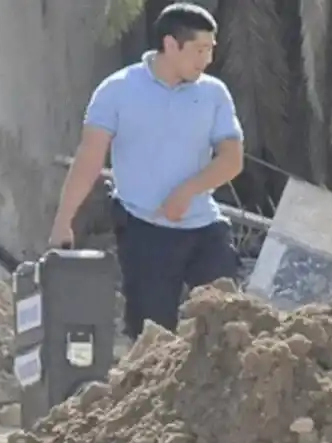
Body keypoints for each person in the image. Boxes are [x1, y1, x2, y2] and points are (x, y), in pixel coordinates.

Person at [48, 3, 244, 340]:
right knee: (152, 335)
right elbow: (89, 158)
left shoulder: (214, 94)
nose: (208, 59)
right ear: (171, 44)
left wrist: (187, 191)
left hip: (205, 229)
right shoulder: (117, 90)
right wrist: (63, 220)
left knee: (229, 325)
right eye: (200, 50)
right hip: (145, 231)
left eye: (210, 49)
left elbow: (232, 159)